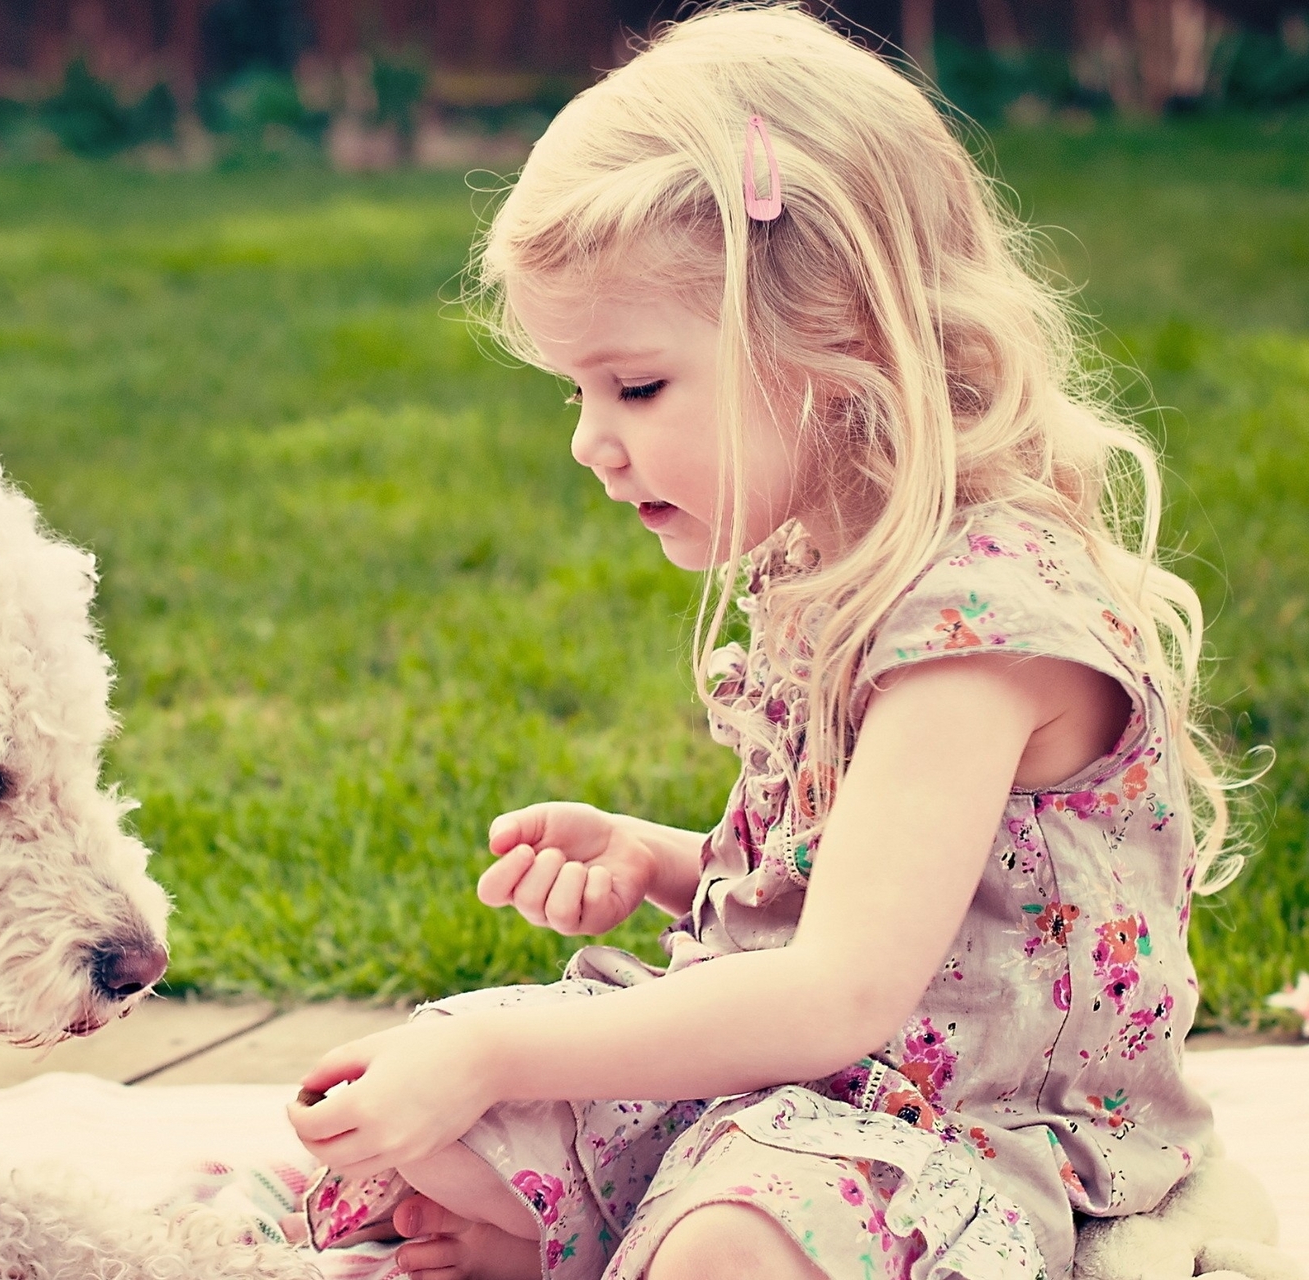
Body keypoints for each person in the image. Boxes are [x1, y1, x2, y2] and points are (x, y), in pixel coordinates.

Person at [283, 6, 1242, 1280]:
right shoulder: (832, 567)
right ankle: (597, 1220)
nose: (588, 439)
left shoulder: (981, 628)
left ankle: (628, 1234)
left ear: (832, 343)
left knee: (719, 1224)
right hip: (816, 1080)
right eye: (576, 391)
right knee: (390, 1106)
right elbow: (872, 892)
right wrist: (663, 861)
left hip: (969, 1126)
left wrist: (500, 1059)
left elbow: (839, 989)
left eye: (634, 386)